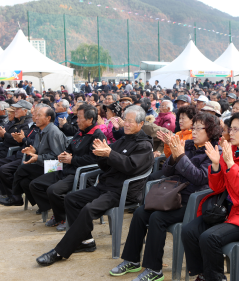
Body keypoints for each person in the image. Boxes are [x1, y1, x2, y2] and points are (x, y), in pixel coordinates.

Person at [109, 113, 222, 281]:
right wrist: (175, 156)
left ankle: (154, 269)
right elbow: (168, 172)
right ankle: (132, 260)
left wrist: (181, 156)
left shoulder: (214, 151)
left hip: (192, 201)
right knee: (140, 212)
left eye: (199, 128)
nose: (195, 132)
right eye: (194, 128)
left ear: (211, 131)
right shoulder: (188, 145)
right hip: (173, 195)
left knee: (157, 218)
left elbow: (200, 178)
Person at [35, 105, 154, 266]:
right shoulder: (123, 140)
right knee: (71, 198)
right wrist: (101, 155)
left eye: (130, 122)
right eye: (125, 120)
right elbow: (106, 166)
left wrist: (109, 153)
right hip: (105, 186)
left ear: (140, 124)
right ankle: (86, 241)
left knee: (88, 209)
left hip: (122, 191)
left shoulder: (144, 145)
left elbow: (130, 167)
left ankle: (59, 251)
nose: (125, 124)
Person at [182, 112, 239, 281]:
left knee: (210, 238)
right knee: (189, 231)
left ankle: (216, 278)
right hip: (225, 208)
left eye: (236, 129)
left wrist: (230, 164)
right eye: (231, 128)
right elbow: (217, 187)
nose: (231, 132)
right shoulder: (232, 150)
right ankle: (203, 274)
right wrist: (216, 165)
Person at [29, 104, 106, 230]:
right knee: (36, 184)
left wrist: (72, 159)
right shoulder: (80, 133)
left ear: (90, 120)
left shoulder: (97, 135)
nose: (77, 121)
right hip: (67, 169)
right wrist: (65, 155)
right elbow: (69, 149)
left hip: (81, 174)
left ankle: (65, 216)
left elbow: (94, 160)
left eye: (80, 118)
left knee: (53, 190)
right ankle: (58, 211)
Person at [0, 106, 67, 206]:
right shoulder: (40, 130)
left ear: (48, 118)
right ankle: (44, 205)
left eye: (39, 115)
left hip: (53, 167)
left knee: (22, 169)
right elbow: (38, 148)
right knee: (24, 182)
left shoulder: (53, 132)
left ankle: (16, 197)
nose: (36, 118)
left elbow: (57, 156)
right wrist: (33, 150)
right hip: (43, 164)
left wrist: (38, 157)